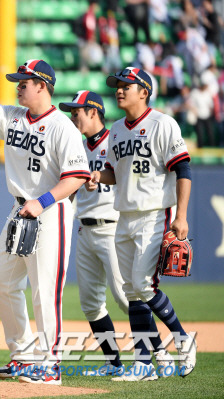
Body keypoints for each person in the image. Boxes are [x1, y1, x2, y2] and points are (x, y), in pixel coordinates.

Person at [0, 59, 91, 385]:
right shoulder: (13, 116)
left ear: (42, 85)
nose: (18, 85)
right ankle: (23, 355)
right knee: (3, 282)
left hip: (51, 212)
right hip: (19, 209)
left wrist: (42, 202)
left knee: (44, 290)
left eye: (24, 81)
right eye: (18, 81)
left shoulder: (62, 127)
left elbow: (77, 176)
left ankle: (50, 365)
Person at [87, 66, 196, 381]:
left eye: (126, 85)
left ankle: (179, 340)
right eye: (117, 85)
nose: (119, 89)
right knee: (133, 290)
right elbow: (114, 173)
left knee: (144, 285)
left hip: (152, 214)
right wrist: (98, 177)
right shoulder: (117, 129)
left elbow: (183, 170)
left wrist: (182, 215)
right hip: (124, 215)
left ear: (144, 92)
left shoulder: (163, 124)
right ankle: (150, 360)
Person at [58, 90, 129, 376]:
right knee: (90, 304)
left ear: (93, 112)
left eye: (77, 112)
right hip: (84, 230)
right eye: (72, 112)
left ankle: (156, 355)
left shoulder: (116, 139)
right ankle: (113, 363)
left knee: (126, 298)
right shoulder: (74, 145)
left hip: (112, 228)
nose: (73, 116)